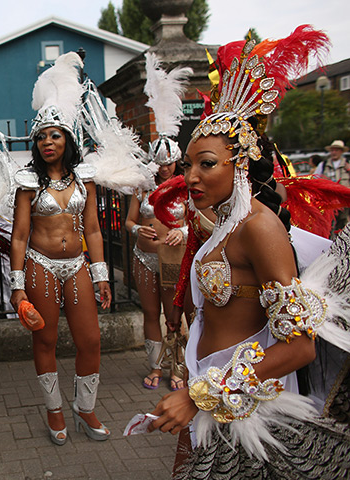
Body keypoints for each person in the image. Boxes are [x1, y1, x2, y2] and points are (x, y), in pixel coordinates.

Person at [147, 28, 350, 477]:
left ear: (240, 165)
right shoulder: (224, 224)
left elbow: (300, 347)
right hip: (215, 394)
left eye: (207, 164)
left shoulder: (260, 228)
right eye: (188, 165)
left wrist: (200, 394)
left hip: (243, 405)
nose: (192, 177)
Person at [9, 52, 113, 446]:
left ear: (67, 138)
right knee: (46, 340)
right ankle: (54, 410)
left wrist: (101, 274)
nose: (47, 142)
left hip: (78, 265)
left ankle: (84, 407)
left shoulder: (84, 178)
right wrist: (17, 287)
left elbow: (94, 230)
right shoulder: (28, 182)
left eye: (54, 135)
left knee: (90, 341)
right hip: (40, 266)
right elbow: (19, 236)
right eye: (40, 136)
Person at [125, 53, 191, 392]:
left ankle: (177, 367)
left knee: (173, 313)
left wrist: (181, 231)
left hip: (172, 259)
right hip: (143, 256)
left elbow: (199, 222)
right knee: (149, 314)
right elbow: (128, 222)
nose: (164, 169)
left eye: (169, 164)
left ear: (176, 162)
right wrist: (139, 230)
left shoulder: (187, 189)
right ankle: (154, 366)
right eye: (160, 164)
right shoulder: (142, 185)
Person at [324, 140, 350, 231]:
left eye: (336, 150)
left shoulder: (347, 163)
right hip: (329, 200)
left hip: (344, 199)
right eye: (332, 150)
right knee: (328, 223)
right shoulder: (324, 165)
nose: (334, 152)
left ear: (341, 152)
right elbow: (314, 178)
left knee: (343, 221)